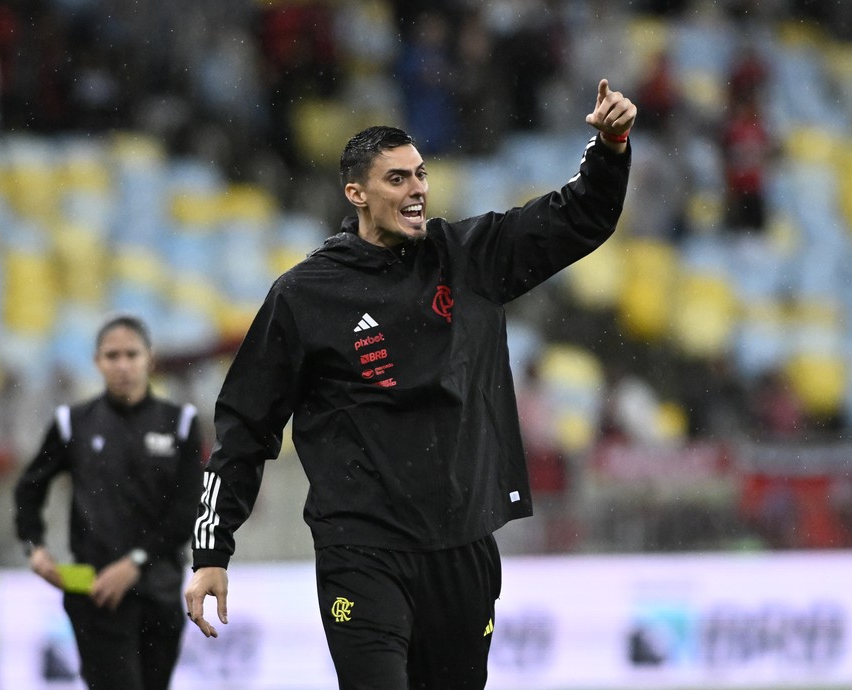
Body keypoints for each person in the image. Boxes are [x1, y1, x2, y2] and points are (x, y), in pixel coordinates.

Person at [185, 79, 636, 689]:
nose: (417, 188)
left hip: (462, 544)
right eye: (397, 178)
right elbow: (245, 427)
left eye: (420, 174)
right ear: (357, 193)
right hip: (362, 552)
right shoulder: (304, 296)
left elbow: (580, 216)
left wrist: (609, 146)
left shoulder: (470, 256)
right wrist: (212, 549)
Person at [14, 314, 204, 690]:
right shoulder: (74, 423)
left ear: (149, 359)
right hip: (98, 592)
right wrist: (34, 547)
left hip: (161, 590)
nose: (122, 365)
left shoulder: (180, 423)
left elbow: (186, 512)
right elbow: (29, 487)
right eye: (112, 356)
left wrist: (135, 562)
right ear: (97, 362)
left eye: (131, 355)